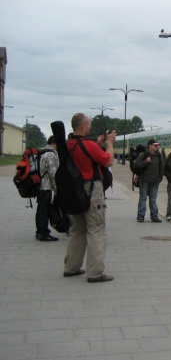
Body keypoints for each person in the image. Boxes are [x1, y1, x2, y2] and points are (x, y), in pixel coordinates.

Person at [63, 113, 116, 283]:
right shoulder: (88, 145)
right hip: (92, 190)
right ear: (83, 127)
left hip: (75, 190)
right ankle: (95, 272)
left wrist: (97, 144)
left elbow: (84, 155)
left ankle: (71, 267)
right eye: (89, 124)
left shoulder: (69, 144)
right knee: (96, 229)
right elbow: (108, 161)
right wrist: (109, 144)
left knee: (77, 229)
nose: (91, 126)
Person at [133, 139, 164, 223]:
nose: (156, 147)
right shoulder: (143, 154)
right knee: (143, 198)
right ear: (150, 145)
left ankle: (154, 216)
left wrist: (160, 178)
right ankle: (141, 216)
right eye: (155, 145)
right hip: (144, 180)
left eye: (157, 145)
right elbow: (135, 164)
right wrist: (145, 162)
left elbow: (161, 167)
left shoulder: (159, 156)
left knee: (153, 199)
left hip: (155, 181)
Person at [35, 136, 59, 241]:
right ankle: (43, 233)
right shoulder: (50, 154)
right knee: (44, 210)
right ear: (54, 143)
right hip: (46, 186)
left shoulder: (42, 151)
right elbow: (53, 173)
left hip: (39, 185)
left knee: (41, 209)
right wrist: (57, 189)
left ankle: (39, 231)